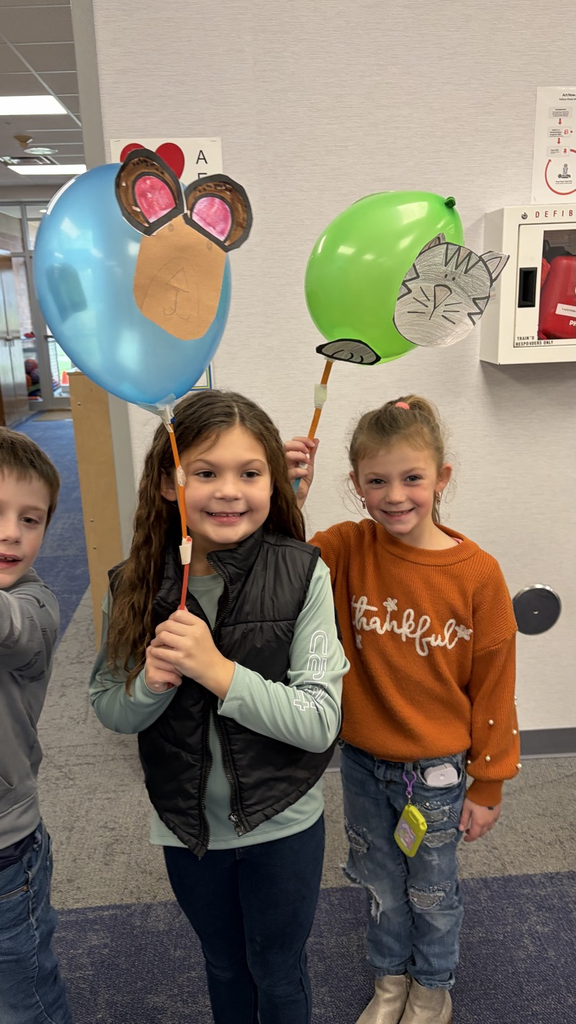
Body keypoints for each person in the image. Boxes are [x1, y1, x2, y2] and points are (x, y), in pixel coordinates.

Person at [89, 389, 348, 1024]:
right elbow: (110, 708)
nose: (229, 491)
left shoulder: (303, 573)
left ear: (273, 483)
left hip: (282, 821)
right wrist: (149, 686)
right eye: (205, 472)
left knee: (277, 971)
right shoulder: (132, 584)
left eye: (249, 473)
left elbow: (319, 722)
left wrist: (218, 672)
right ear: (168, 483)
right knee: (225, 964)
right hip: (186, 826)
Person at [285, 395, 519, 1024]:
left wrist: (489, 782)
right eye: (376, 481)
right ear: (356, 484)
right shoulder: (346, 548)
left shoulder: (478, 574)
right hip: (362, 762)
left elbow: (495, 687)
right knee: (379, 882)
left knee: (432, 891)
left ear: (442, 477)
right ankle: (390, 980)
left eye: (412, 477)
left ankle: (432, 987)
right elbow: (279, 571)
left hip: (437, 771)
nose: (394, 496)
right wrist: (289, 498)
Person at [0, 427, 73, 1024]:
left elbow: (11, 627)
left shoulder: (36, 605)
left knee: (24, 1001)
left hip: (5, 852)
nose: (12, 533)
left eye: (31, 520)